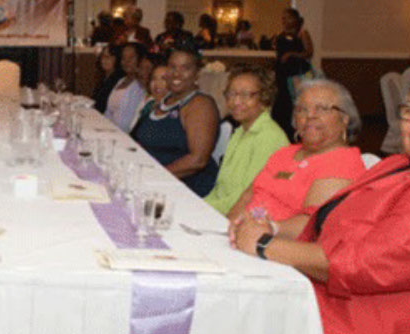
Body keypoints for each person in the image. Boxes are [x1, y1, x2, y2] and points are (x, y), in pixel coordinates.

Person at [231, 63, 410, 334]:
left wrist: (265, 246)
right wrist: (270, 228)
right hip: (332, 314)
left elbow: (360, 266)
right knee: (226, 325)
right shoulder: (399, 164)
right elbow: (326, 222)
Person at [226, 79, 365, 236]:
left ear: (344, 118)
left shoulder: (343, 163)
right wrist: (228, 226)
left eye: (322, 109)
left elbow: (311, 226)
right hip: (239, 236)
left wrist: (265, 230)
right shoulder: (284, 153)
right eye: (302, 110)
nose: (310, 115)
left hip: (276, 245)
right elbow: (247, 196)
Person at [131, 42, 219, 196]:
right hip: (153, 182)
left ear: (197, 73)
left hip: (185, 188)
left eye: (185, 68)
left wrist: (155, 177)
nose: (177, 74)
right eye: (172, 67)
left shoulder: (200, 104)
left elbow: (197, 160)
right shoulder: (164, 101)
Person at [204, 65, 289, 215]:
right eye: (231, 94)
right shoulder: (240, 131)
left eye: (246, 95)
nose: (236, 101)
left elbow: (247, 197)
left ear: (264, 98)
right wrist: (200, 204)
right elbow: (220, 189)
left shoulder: (269, 137)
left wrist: (203, 209)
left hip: (244, 217)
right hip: (222, 210)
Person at [271, 8, 314, 134]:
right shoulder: (282, 34)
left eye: (287, 18)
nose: (284, 21)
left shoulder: (302, 33)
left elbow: (309, 52)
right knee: (280, 99)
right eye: (283, 18)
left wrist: (291, 54)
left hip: (294, 72)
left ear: (295, 19)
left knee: (292, 99)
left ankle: (292, 129)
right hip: (281, 72)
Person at [104, 42, 147, 131]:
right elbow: (108, 112)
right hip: (108, 130)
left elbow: (127, 123)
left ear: (140, 59)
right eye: (123, 58)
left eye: (131, 57)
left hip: (122, 134)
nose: (126, 62)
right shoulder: (120, 81)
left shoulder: (140, 85)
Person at [92, 45, 123, 114]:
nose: (105, 60)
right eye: (103, 56)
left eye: (109, 57)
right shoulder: (103, 78)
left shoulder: (118, 79)